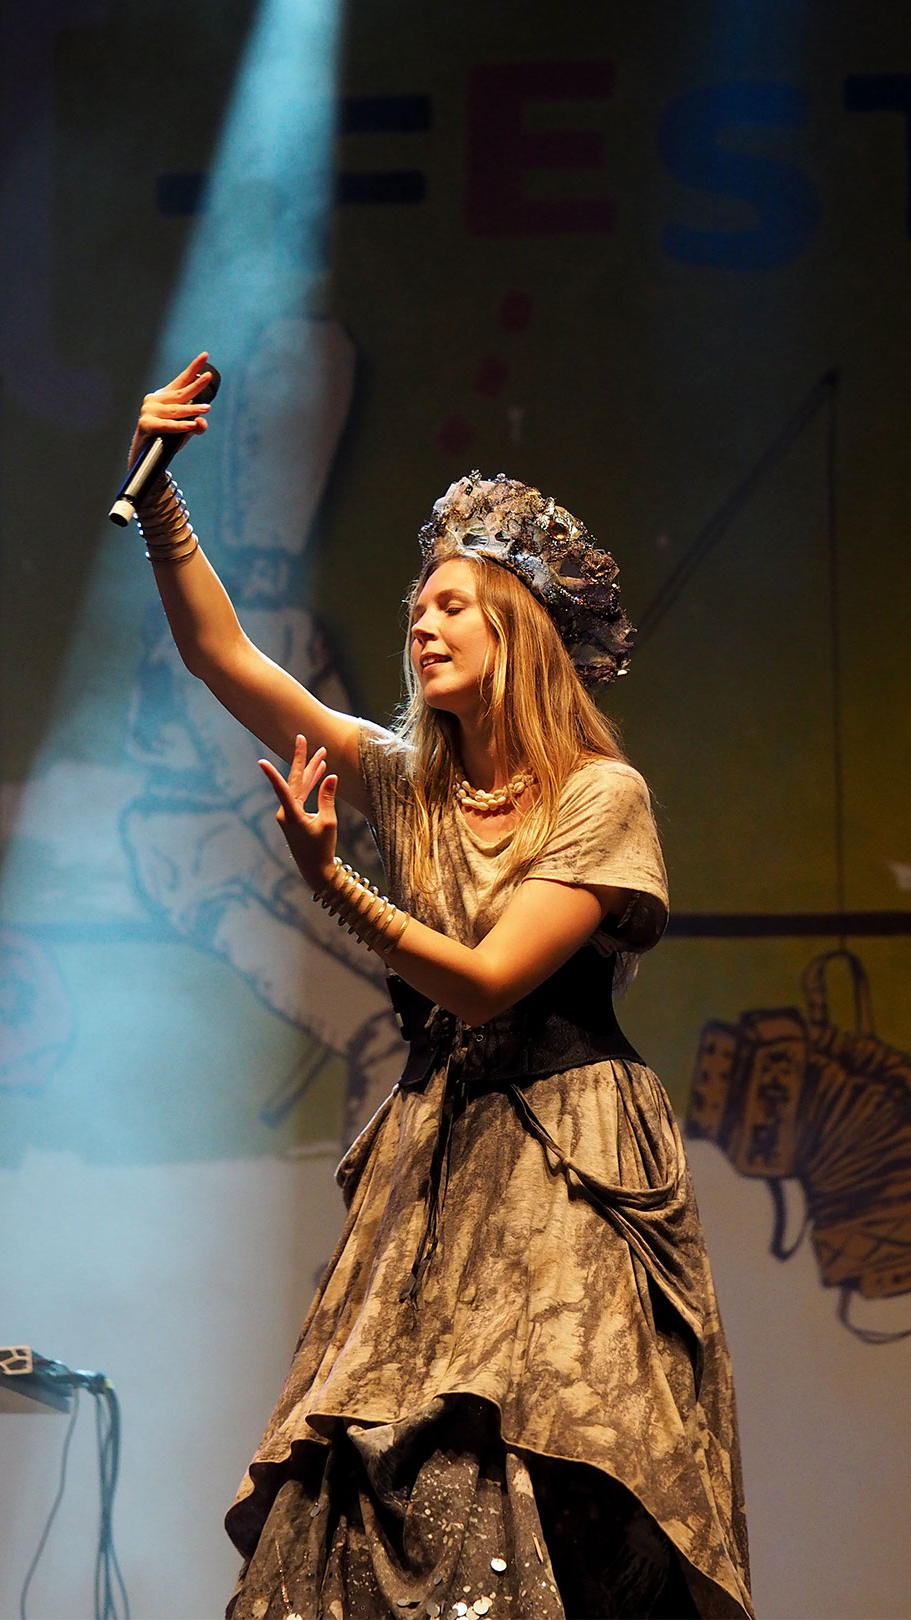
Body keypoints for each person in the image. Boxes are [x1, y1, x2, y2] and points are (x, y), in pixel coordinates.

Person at [130, 355, 753, 1620]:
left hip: (566, 1159)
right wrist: (157, 496)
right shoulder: (414, 785)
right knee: (374, 1461)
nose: (422, 622)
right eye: (417, 604)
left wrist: (329, 881)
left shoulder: (598, 798)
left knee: (553, 1459)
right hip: (438, 1161)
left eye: (455, 604)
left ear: (516, 628)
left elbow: (485, 986)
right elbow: (226, 659)